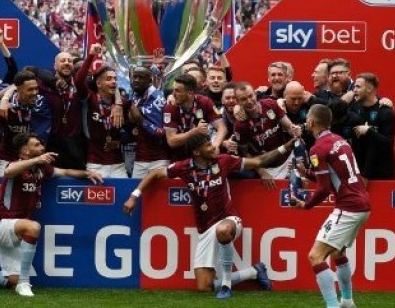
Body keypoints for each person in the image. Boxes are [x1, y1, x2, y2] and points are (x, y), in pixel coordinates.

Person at [124, 133, 296, 299]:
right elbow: (154, 173)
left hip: (229, 221)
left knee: (222, 230)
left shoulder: (224, 161)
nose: (213, 146)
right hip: (205, 229)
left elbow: (259, 161)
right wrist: (134, 196)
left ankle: (226, 285)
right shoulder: (183, 167)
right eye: (207, 144)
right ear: (197, 152)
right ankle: (254, 272)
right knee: (204, 287)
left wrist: (284, 148)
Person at [0, 133, 103, 297]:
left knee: (11, 280)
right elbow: (7, 172)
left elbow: (65, 171)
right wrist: (37, 160)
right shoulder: (16, 165)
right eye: (36, 145)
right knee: (33, 227)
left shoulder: (43, 170)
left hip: (17, 229)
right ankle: (24, 283)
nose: (42, 148)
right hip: (1, 223)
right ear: (25, 151)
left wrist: (87, 173)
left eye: (41, 145)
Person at [290, 104, 370, 308]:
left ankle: (332, 305)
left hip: (348, 206)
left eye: (307, 119)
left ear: (311, 122)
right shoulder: (340, 141)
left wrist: (306, 205)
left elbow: (324, 189)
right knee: (337, 253)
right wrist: (306, 172)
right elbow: (334, 177)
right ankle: (347, 301)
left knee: (315, 256)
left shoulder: (318, 148)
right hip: (362, 204)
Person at [0, 70, 52, 176]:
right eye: (30, 89)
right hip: (7, 160)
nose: (35, 93)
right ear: (18, 90)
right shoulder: (4, 109)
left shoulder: (42, 105)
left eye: (36, 89)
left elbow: (43, 139)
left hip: (33, 160)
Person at [163, 74, 227, 161]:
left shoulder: (205, 102)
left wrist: (215, 146)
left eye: (177, 91)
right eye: (173, 90)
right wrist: (195, 131)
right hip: (179, 157)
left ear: (190, 93)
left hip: (203, 155)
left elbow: (222, 128)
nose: (173, 94)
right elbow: (171, 141)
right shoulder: (171, 107)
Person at [350, 72, 395, 180]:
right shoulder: (353, 109)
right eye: (354, 87)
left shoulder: (385, 111)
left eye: (358, 87)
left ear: (369, 89)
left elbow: (388, 143)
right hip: (358, 172)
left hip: (381, 174)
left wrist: (369, 132)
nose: (354, 90)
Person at [128, 66, 168, 178]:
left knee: (161, 194)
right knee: (136, 192)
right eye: (134, 77)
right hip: (140, 159)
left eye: (141, 77)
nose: (136, 80)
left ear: (150, 80)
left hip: (159, 159)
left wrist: (141, 120)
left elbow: (161, 133)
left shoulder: (158, 99)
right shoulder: (133, 96)